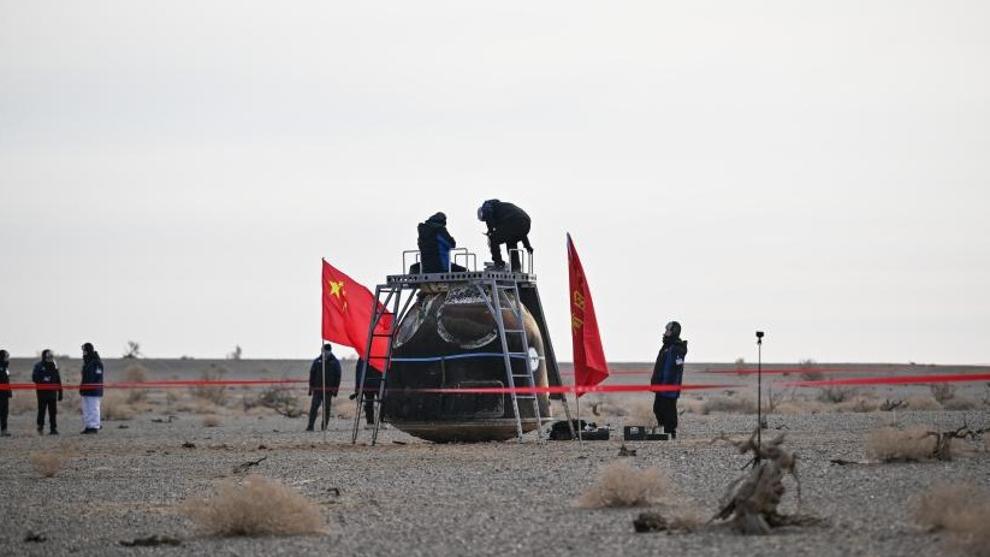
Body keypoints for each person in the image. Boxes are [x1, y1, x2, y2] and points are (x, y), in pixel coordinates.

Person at [650, 321, 688, 439]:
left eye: (668, 330)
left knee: (669, 409)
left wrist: (671, 383)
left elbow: (677, 365)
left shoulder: (677, 348)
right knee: (657, 408)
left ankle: (670, 432)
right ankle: (663, 430)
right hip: (661, 385)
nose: (665, 333)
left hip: (670, 386)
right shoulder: (666, 346)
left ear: (673, 332)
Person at [477, 199, 533, 272]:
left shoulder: (486, 206)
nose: (486, 221)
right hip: (526, 222)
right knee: (511, 241)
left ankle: (498, 264)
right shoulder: (502, 211)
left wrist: (490, 231)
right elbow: (520, 231)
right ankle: (516, 268)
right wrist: (527, 246)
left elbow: (488, 214)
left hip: (514, 221)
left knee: (493, 238)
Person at [306, 344, 342, 432]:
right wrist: (311, 388)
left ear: (329, 351)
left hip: (328, 391)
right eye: (322, 351)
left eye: (325, 351)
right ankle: (310, 426)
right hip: (317, 389)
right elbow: (312, 374)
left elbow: (338, 376)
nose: (324, 353)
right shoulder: (317, 361)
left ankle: (324, 426)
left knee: (326, 409)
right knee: (314, 407)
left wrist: (335, 390)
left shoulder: (335, 362)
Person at [32, 349, 63, 435]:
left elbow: (58, 380)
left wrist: (60, 392)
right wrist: (44, 380)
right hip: (42, 393)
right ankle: (40, 427)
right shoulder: (38, 366)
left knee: (53, 411)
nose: (50, 357)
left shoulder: (54, 366)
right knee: (41, 411)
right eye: (48, 356)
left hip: (52, 393)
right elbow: (34, 378)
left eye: (51, 356)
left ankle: (53, 429)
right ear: (44, 356)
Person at [79, 342, 104, 434]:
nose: (83, 353)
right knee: (86, 409)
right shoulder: (87, 362)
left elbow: (96, 376)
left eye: (85, 350)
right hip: (86, 390)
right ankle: (88, 426)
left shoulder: (96, 362)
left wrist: (91, 385)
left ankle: (94, 426)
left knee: (93, 408)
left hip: (94, 390)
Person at [350, 358, 382, 427]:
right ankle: (370, 422)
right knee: (369, 404)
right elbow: (358, 373)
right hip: (367, 384)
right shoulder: (361, 359)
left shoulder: (379, 357)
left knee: (382, 403)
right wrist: (357, 387)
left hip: (378, 383)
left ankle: (383, 421)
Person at [0, 350, 11, 437]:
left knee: (4, 412)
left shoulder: (6, 368)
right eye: (6, 356)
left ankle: (4, 430)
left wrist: (9, 392)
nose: (7, 358)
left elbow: (7, 381)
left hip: (5, 394)